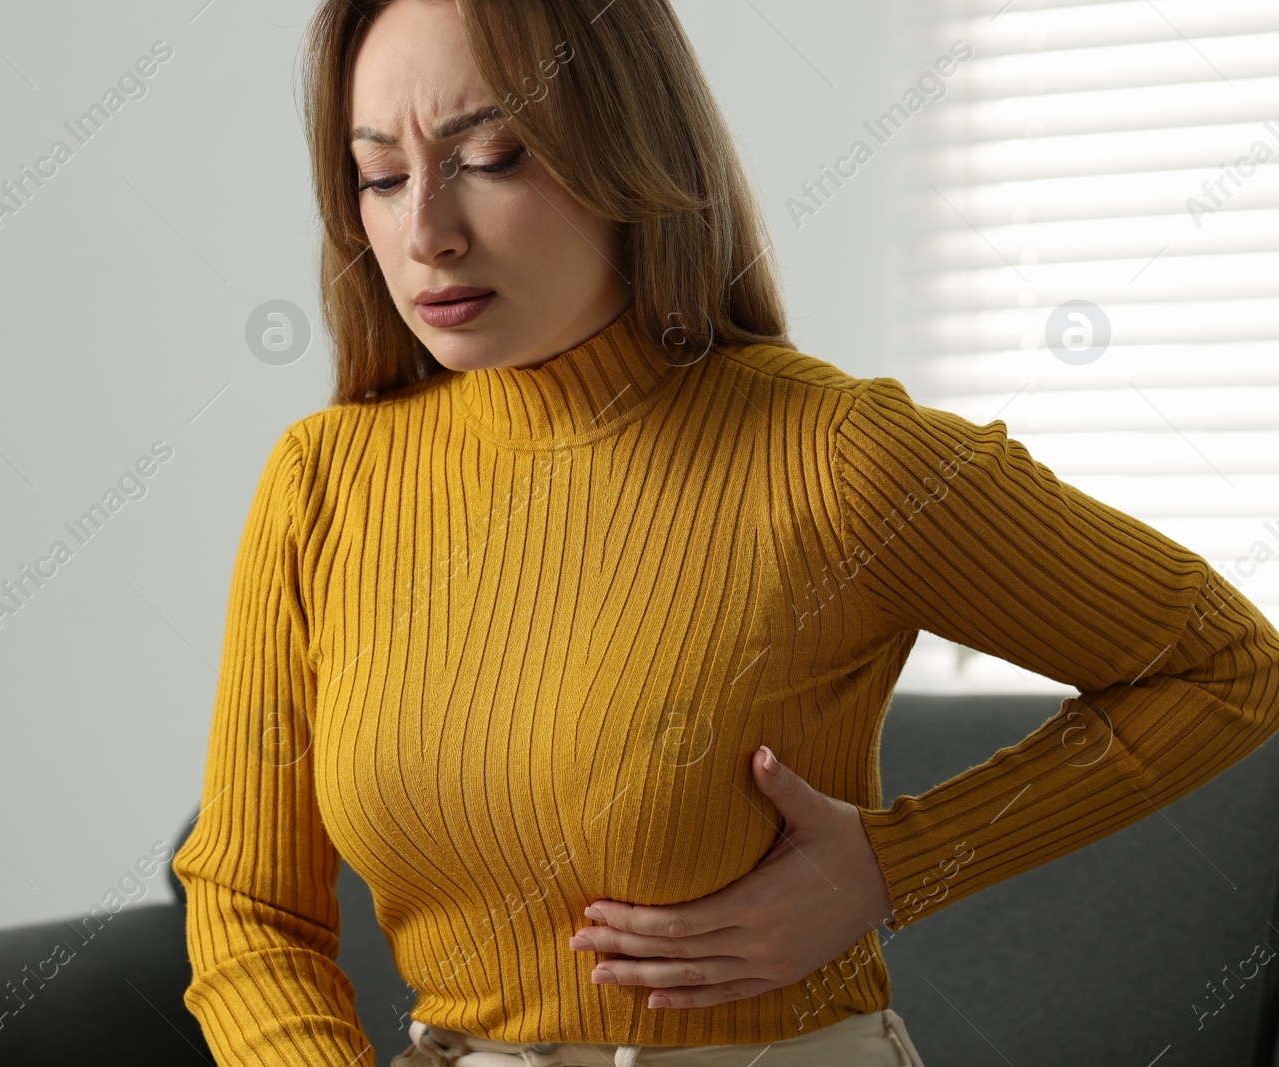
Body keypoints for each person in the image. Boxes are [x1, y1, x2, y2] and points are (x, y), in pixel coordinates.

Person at [170, 0, 1279, 1063]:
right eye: (381, 175)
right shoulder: (324, 480)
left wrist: (896, 865)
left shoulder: (836, 454)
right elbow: (246, 901)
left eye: (492, 156)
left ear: (623, 147)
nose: (426, 233)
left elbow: (1227, 666)